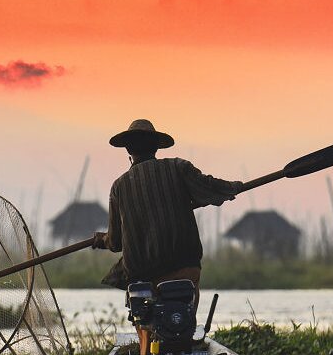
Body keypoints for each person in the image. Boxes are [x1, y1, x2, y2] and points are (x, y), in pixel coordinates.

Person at [94, 119, 244, 290]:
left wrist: (102, 240)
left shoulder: (119, 187)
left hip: (143, 274)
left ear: (128, 149)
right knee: (186, 311)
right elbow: (211, 187)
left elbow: (115, 242)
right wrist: (235, 187)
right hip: (186, 265)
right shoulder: (178, 167)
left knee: (137, 304)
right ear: (156, 147)